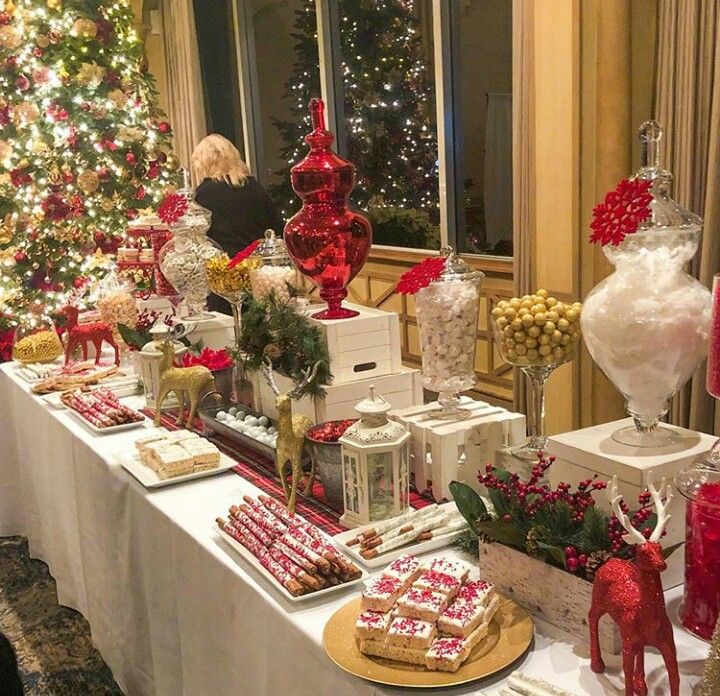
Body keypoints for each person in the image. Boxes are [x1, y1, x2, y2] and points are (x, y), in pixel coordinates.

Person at [192, 134, 284, 314]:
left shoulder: (203, 194)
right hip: (259, 274)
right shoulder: (255, 188)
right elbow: (277, 228)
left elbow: (198, 241)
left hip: (223, 276)